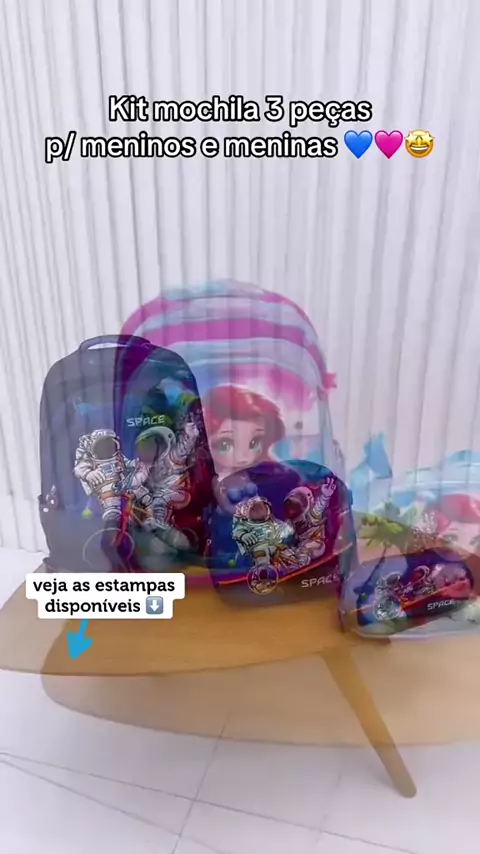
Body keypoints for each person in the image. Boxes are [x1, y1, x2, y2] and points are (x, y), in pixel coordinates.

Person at [202, 385, 286, 480]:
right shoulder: (210, 476)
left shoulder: (267, 470)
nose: (243, 458)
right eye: (225, 445)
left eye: (255, 442)